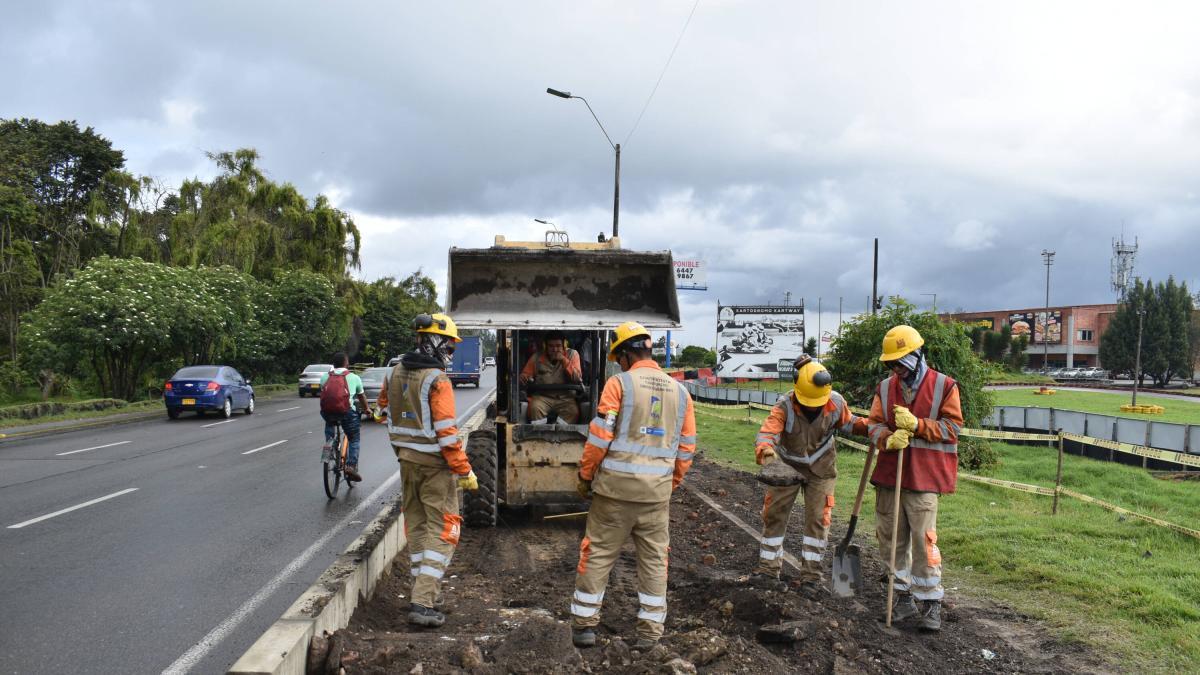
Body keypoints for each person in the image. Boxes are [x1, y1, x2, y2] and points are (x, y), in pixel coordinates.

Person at [569, 321, 697, 650]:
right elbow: (686, 449)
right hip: (656, 495)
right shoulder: (681, 393)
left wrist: (586, 476)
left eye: (618, 357)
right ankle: (649, 634)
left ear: (625, 355)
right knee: (655, 560)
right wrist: (670, 483)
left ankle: (584, 626)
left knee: (597, 554)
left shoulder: (619, 383)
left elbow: (599, 438)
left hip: (614, 491)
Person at [867, 325, 963, 632]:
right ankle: (903, 599)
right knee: (891, 541)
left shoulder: (944, 386)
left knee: (924, 543)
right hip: (890, 476)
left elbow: (952, 429)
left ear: (916, 355)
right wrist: (886, 438)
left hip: (924, 478)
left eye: (900, 362)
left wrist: (919, 425)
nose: (897, 369)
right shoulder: (885, 388)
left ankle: (930, 602)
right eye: (892, 363)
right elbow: (873, 426)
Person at [387, 313, 479, 628]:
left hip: (406, 463)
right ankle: (423, 601)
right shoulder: (437, 380)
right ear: (436, 342)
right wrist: (464, 470)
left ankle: (423, 591)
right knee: (446, 531)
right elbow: (447, 433)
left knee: (418, 527)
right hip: (435, 468)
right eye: (450, 348)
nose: (451, 354)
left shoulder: (394, 373)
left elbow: (385, 413)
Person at [751, 356, 868, 587]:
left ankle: (811, 577)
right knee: (774, 515)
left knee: (817, 519)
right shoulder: (785, 405)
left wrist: (877, 430)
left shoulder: (835, 402)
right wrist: (765, 451)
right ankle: (768, 570)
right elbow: (768, 431)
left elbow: (851, 423)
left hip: (821, 469)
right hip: (786, 468)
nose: (813, 406)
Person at [320, 352, 372, 481]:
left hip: (328, 412)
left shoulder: (325, 377)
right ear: (346, 363)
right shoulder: (354, 377)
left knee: (330, 426)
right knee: (354, 439)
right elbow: (361, 396)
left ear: (333, 364)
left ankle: (329, 447)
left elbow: (325, 395)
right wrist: (366, 409)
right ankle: (351, 466)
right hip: (346, 412)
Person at [520, 332, 583, 423]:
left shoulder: (572, 354)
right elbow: (525, 374)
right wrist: (524, 377)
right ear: (545, 346)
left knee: (573, 411)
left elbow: (577, 378)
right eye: (551, 346)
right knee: (535, 408)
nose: (555, 349)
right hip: (542, 397)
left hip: (565, 397)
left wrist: (563, 360)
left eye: (558, 346)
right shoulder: (536, 357)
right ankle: (540, 434)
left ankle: (562, 432)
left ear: (564, 345)